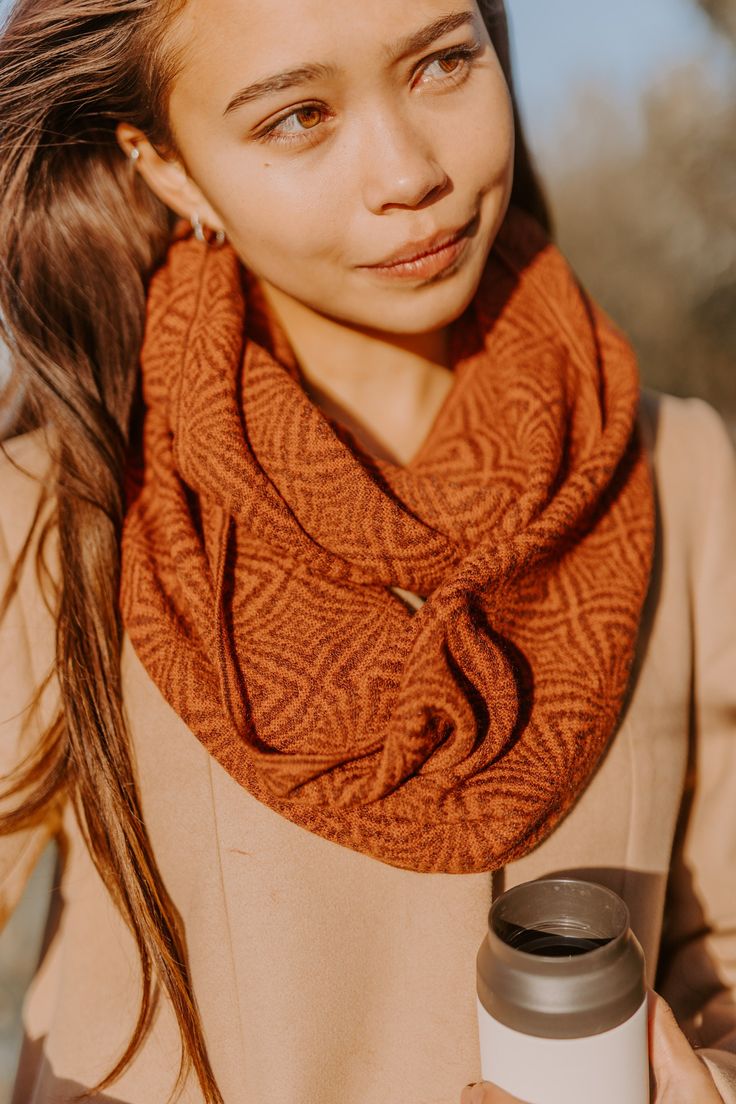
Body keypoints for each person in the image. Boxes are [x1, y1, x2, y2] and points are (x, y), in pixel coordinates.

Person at [0, 0, 734, 1101]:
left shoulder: (680, 470)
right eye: (296, 117)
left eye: (443, 62)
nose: (407, 173)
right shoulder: (60, 514)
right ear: (167, 170)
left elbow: (721, 950)